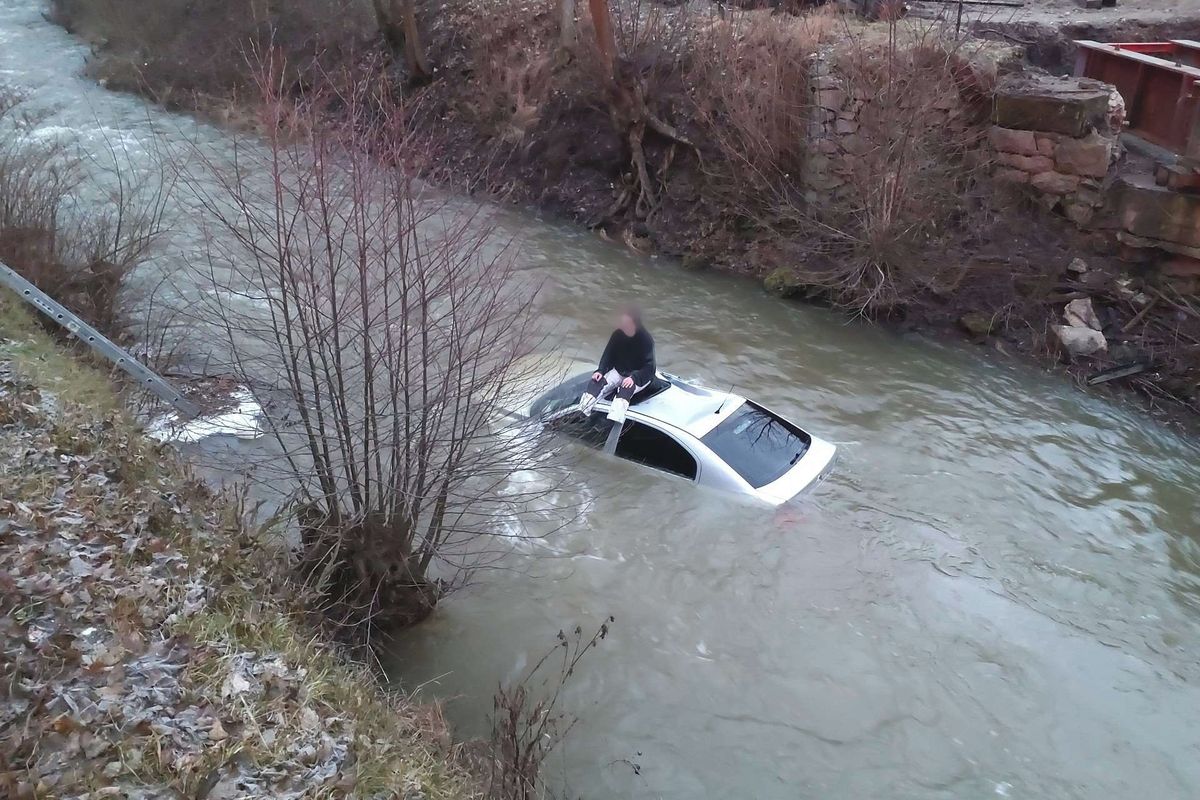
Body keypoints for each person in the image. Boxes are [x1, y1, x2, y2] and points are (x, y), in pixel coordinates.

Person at [580, 307, 656, 420]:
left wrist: (634, 378)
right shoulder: (617, 335)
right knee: (596, 384)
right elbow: (608, 356)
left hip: (638, 376)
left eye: (626, 323)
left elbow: (650, 367)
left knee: (625, 392)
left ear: (635, 324)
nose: (623, 325)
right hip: (620, 371)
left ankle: (613, 422)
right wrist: (601, 370)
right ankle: (581, 414)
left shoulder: (646, 339)